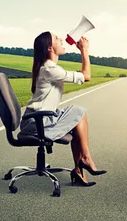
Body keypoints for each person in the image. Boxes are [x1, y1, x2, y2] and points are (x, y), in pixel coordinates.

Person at [19, 31, 106, 187]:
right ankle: (84, 159)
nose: (61, 40)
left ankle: (79, 170)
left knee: (79, 115)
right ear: (49, 48)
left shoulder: (50, 68)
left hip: (40, 118)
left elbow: (81, 75)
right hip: (36, 121)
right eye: (57, 39)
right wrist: (84, 50)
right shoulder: (50, 69)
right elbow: (86, 76)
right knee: (78, 111)